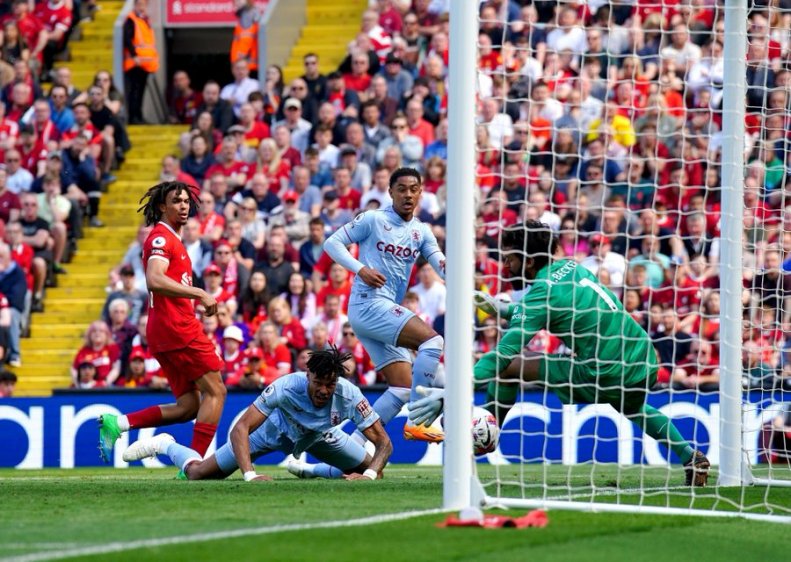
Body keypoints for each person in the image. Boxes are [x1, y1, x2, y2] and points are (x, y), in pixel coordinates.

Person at [410, 220, 711, 487]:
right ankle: (689, 455)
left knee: (510, 367)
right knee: (634, 408)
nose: (506, 266)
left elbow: (503, 354)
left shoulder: (541, 292)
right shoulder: (572, 267)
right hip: (641, 356)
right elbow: (550, 306)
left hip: (603, 369)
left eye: (510, 258)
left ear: (528, 261)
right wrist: (503, 308)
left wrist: (454, 391)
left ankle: (482, 433)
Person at [97, 181, 226, 466]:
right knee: (216, 391)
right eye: (176, 201)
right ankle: (194, 465)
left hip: (164, 330)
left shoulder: (173, 240)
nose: (183, 206)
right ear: (161, 207)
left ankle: (118, 423)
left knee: (189, 406)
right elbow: (154, 279)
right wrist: (199, 293)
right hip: (177, 328)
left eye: (186, 201)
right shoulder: (161, 238)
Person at [123, 348, 392, 482]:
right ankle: (165, 444)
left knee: (375, 473)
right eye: (318, 383)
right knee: (198, 474)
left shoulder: (350, 394)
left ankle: (309, 470)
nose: (324, 390)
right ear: (307, 375)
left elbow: (384, 443)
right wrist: (250, 475)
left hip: (321, 436)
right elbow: (240, 428)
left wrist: (366, 476)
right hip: (271, 432)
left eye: (330, 384)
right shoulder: (285, 387)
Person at [323, 167, 446, 442]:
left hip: (380, 310)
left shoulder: (421, 232)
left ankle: (352, 449)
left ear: (421, 193)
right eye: (401, 189)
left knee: (401, 387)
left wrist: (457, 271)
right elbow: (332, 243)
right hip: (368, 304)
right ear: (390, 192)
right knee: (432, 342)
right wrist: (360, 269)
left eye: (413, 189)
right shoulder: (373, 219)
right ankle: (417, 421)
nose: (408, 195)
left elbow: (440, 264)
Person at [122, 0, 159, 124]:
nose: (142, 7)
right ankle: (133, 117)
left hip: (145, 64)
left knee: (140, 92)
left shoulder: (145, 20)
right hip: (135, 63)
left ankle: (139, 116)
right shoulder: (131, 20)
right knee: (135, 91)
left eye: (144, 5)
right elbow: (127, 39)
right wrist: (134, 56)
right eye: (139, 4)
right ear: (135, 5)